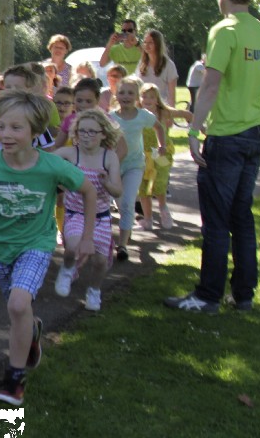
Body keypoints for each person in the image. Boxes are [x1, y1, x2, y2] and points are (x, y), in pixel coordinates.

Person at [0, 90, 97, 406]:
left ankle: (14, 378)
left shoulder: (51, 166)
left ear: (35, 132)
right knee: (19, 310)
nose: (6, 134)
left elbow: (89, 191)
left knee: (18, 305)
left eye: (16, 127)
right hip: (1, 248)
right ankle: (32, 332)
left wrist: (87, 237)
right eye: (1, 127)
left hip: (37, 244)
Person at [166, 0, 260, 314]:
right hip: (255, 133)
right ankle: (243, 294)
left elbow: (210, 85)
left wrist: (194, 131)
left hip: (226, 136)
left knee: (216, 220)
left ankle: (208, 295)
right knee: (242, 217)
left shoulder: (224, 30)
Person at [53, 109, 123, 312]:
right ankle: (67, 270)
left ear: (103, 134)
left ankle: (94, 290)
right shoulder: (70, 153)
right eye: (82, 131)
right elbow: (44, 161)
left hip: (101, 217)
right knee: (73, 246)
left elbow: (118, 190)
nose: (86, 136)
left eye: (92, 131)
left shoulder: (109, 157)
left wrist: (107, 183)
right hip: (75, 213)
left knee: (100, 261)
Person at [110, 75, 163, 262]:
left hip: (135, 165)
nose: (126, 96)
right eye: (122, 92)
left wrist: (162, 145)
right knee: (120, 203)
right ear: (116, 95)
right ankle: (127, 225)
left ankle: (122, 245)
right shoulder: (110, 117)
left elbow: (159, 127)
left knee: (128, 202)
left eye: (130, 93)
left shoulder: (143, 115)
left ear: (137, 96)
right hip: (115, 165)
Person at [139, 82, 193, 231]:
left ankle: (164, 210)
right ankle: (148, 219)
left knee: (160, 183)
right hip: (142, 155)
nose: (148, 100)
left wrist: (199, 128)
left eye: (152, 97)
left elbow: (186, 114)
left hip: (161, 154)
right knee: (143, 188)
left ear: (157, 100)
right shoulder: (137, 113)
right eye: (144, 96)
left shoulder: (163, 112)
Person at [0, 64, 55, 150]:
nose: (12, 91)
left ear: (29, 91)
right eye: (8, 87)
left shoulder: (35, 119)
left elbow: (48, 149)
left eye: (18, 87)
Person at [135, 28, 178, 105]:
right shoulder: (141, 64)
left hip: (161, 106)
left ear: (158, 44)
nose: (147, 45)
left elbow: (172, 95)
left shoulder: (168, 65)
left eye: (150, 42)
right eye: (145, 42)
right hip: (143, 107)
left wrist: (171, 111)